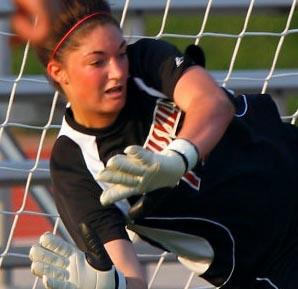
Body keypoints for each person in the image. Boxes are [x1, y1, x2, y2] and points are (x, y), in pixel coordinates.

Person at [28, 1, 298, 289]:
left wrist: (178, 158)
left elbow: (214, 104)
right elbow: (132, 279)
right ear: (58, 72)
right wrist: (110, 284)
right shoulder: (74, 164)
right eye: (98, 62)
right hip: (264, 265)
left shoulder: (145, 62)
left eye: (120, 53)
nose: (118, 71)